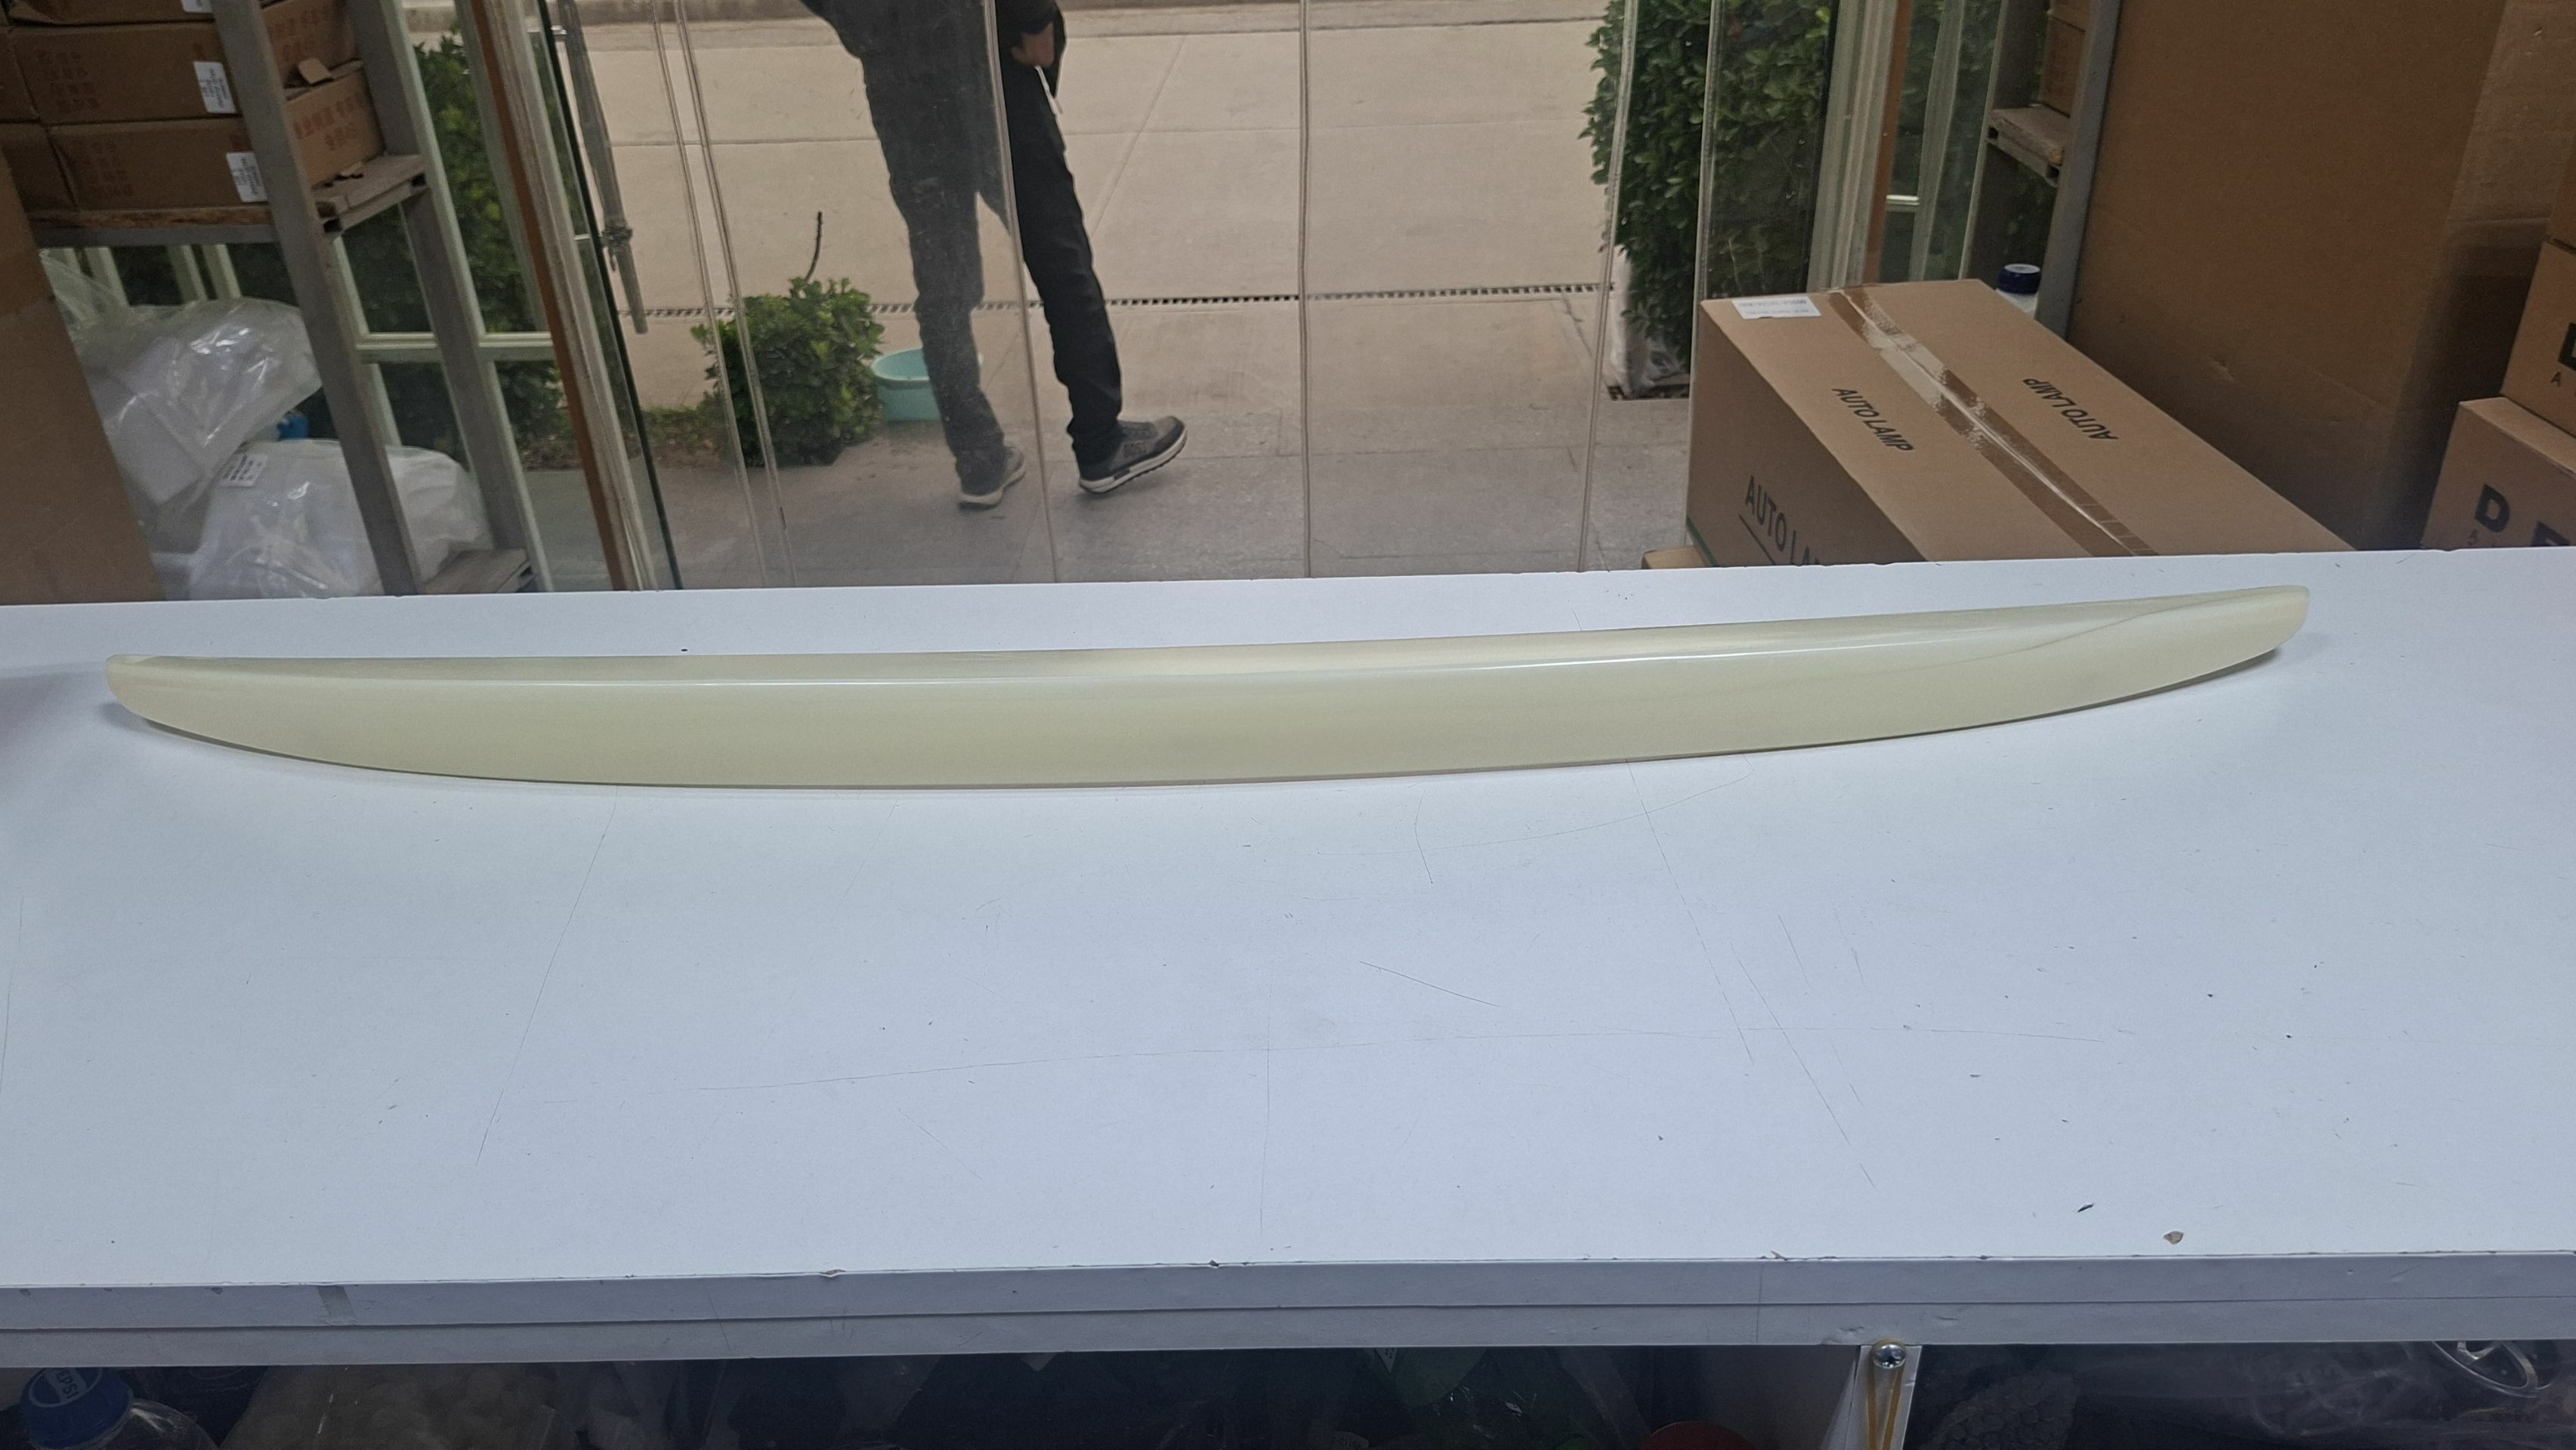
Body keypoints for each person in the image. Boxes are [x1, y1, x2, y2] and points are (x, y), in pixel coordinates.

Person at [802, 0, 1185, 507]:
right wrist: (1035, 17)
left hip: (901, 78)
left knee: (944, 281)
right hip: (982, 60)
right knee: (1058, 257)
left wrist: (871, 29)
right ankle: (1101, 443)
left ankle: (979, 459)